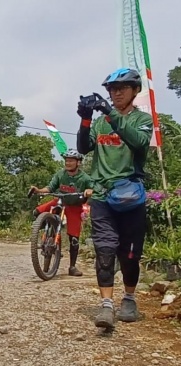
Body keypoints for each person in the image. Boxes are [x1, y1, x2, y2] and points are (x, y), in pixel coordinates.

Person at [77, 67, 153, 329]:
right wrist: (86, 119)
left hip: (131, 197)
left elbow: (140, 142)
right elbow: (83, 148)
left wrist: (109, 113)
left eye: (122, 88)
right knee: (105, 251)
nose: (116, 93)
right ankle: (107, 306)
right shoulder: (100, 123)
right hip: (101, 195)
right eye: (112, 89)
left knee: (130, 255)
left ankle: (129, 298)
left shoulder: (142, 120)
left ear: (135, 91)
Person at [29, 148, 94, 277]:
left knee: (74, 238)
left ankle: (72, 267)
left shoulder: (85, 177)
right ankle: (46, 232)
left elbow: (91, 187)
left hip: (74, 206)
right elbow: (50, 187)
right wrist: (38, 190)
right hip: (59, 201)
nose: (68, 163)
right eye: (66, 160)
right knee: (37, 212)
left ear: (78, 163)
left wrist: (89, 190)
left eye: (71, 161)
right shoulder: (60, 174)